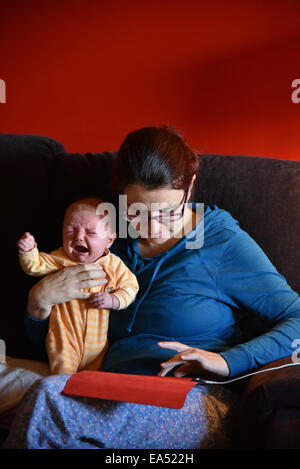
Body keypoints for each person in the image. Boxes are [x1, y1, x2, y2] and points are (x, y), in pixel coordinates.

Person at [4, 124, 300, 449]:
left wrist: (230, 360)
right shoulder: (106, 239)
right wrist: (38, 304)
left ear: (190, 186)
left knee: (51, 399)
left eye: (169, 213)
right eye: (136, 213)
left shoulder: (221, 243)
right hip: (101, 383)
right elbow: (58, 337)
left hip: (191, 397)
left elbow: (296, 318)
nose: (153, 228)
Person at [17, 196, 139, 375]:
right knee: (63, 379)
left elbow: (131, 287)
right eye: (69, 231)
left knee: (94, 383)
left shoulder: (114, 265)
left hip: (98, 347)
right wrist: (28, 250)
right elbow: (34, 266)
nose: (78, 237)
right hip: (64, 341)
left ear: (110, 240)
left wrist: (114, 300)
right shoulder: (61, 259)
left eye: (91, 232)